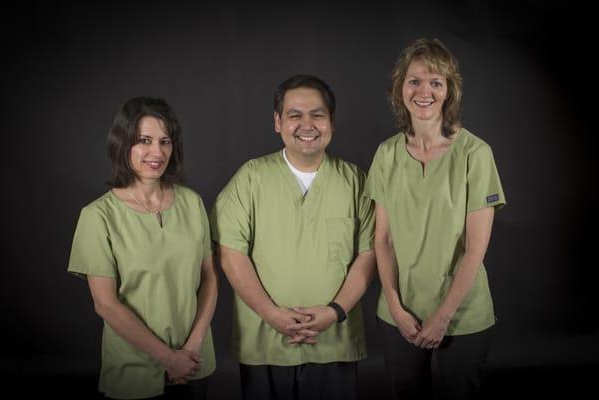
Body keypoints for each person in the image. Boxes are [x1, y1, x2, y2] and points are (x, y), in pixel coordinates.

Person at [209, 75, 376, 400]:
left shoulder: (355, 180)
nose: (307, 124)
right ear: (277, 122)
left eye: (317, 114)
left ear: (331, 122)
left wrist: (335, 311)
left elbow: (368, 253)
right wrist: (272, 314)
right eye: (294, 115)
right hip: (265, 339)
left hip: (334, 340)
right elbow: (230, 253)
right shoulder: (251, 178)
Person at [365, 38, 506, 400]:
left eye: (436, 82)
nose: (423, 91)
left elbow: (476, 248)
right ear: (400, 88)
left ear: (449, 92)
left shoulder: (475, 153)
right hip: (400, 314)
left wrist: (443, 316)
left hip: (462, 314)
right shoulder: (386, 155)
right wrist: (395, 306)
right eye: (414, 80)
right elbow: (383, 239)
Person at [68, 96, 217, 399]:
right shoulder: (98, 216)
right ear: (123, 144)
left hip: (194, 363)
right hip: (133, 370)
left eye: (165, 141)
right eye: (144, 141)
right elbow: (105, 304)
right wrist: (167, 358)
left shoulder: (192, 202)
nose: (157, 152)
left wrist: (191, 347)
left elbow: (210, 279)